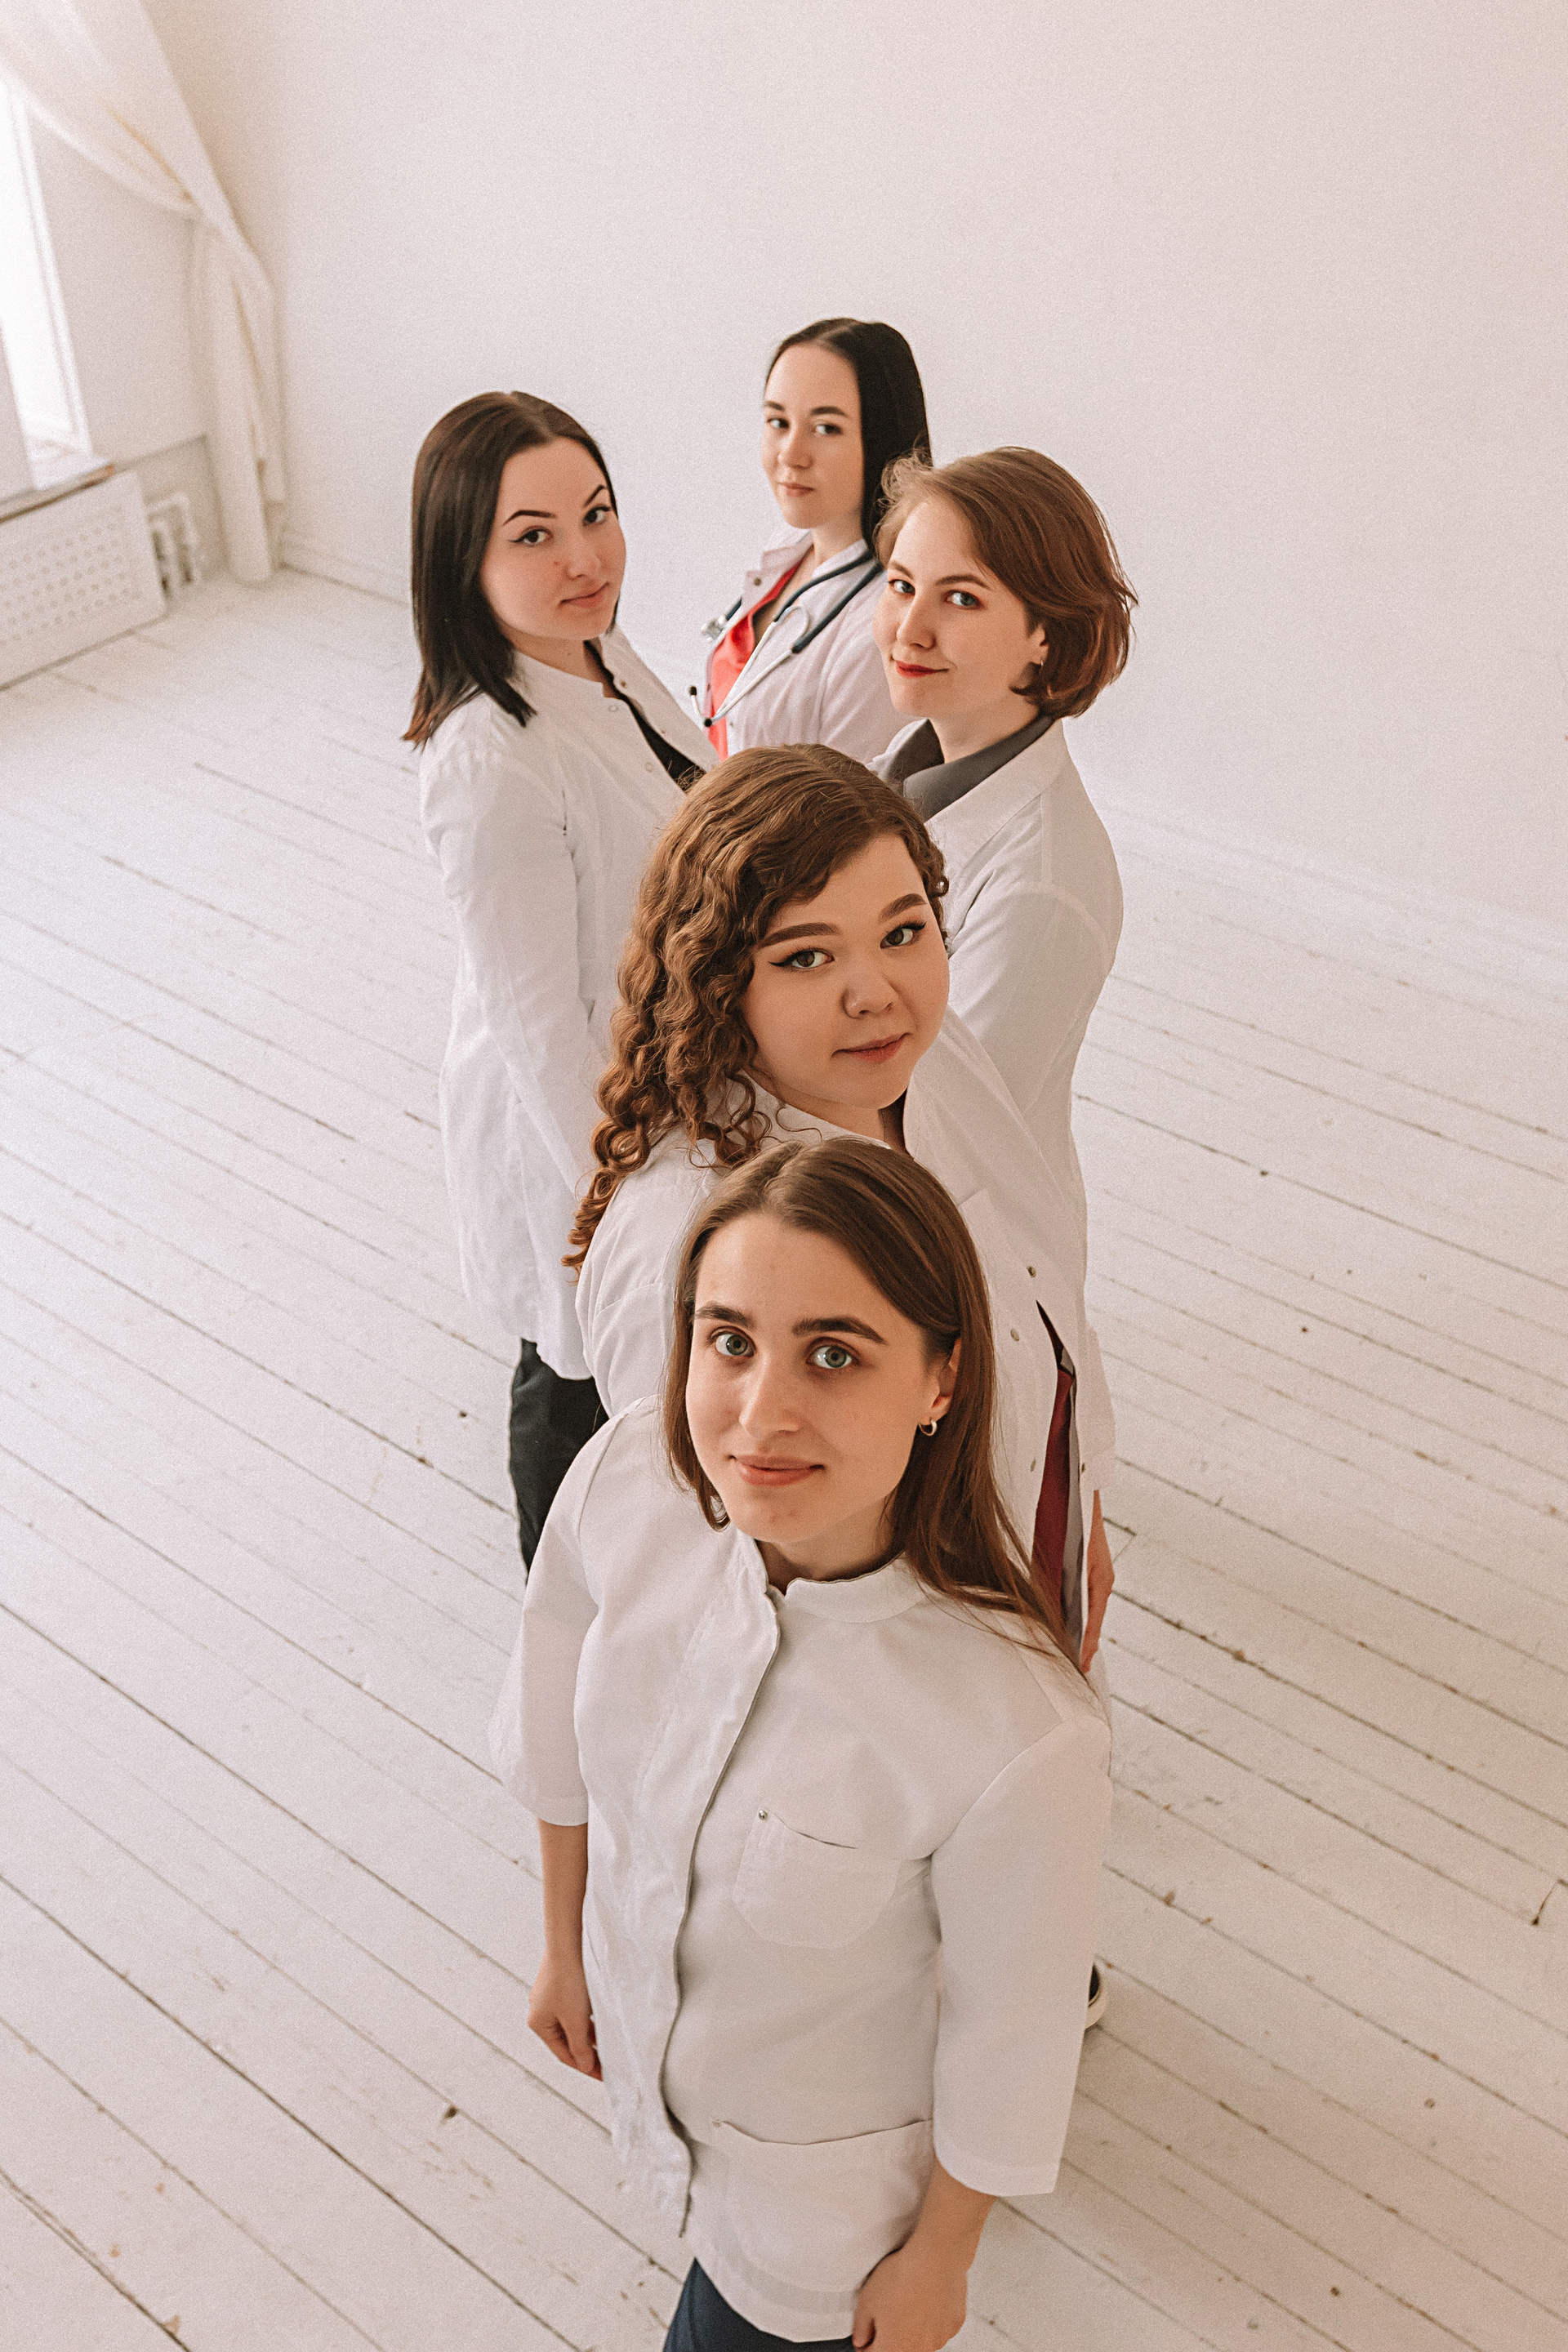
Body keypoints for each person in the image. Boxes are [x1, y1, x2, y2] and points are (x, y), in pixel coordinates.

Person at [493, 1138, 1113, 2349]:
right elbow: (553, 1709)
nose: (761, 1414)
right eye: (729, 1341)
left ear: (941, 1379)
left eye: (835, 1354)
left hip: (820, 2221)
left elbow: (1014, 2035)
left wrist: (939, 2258)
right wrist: (563, 1942)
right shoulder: (626, 1483)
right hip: (652, 2092)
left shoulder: (1017, 1730)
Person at [570, 747, 1116, 1671]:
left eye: (903, 933)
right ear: (717, 977)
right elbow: (706, 1578)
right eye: (807, 956)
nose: (875, 994)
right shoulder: (687, 1232)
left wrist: (1076, 1512)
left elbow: (1045, 1297)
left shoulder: (927, 1063)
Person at [408, 390, 710, 1563]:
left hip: (654, 1087)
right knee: (569, 1369)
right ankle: (555, 1599)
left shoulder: (594, 652)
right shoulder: (489, 762)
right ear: (464, 562)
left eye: (596, 513)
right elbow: (541, 1035)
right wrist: (624, 1206)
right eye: (532, 535)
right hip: (572, 1129)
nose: (585, 557)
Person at [871, 447, 1136, 1499]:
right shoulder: (907, 778)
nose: (911, 627)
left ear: (1047, 636)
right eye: (901, 585)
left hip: (954, 1269)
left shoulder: (1040, 890)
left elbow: (920, 1123)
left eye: (961, 599)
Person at [698, 318, 930, 763]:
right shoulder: (795, 543)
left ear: (883, 439)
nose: (791, 454)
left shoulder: (888, 624)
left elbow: (848, 800)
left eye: (826, 428)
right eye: (778, 422)